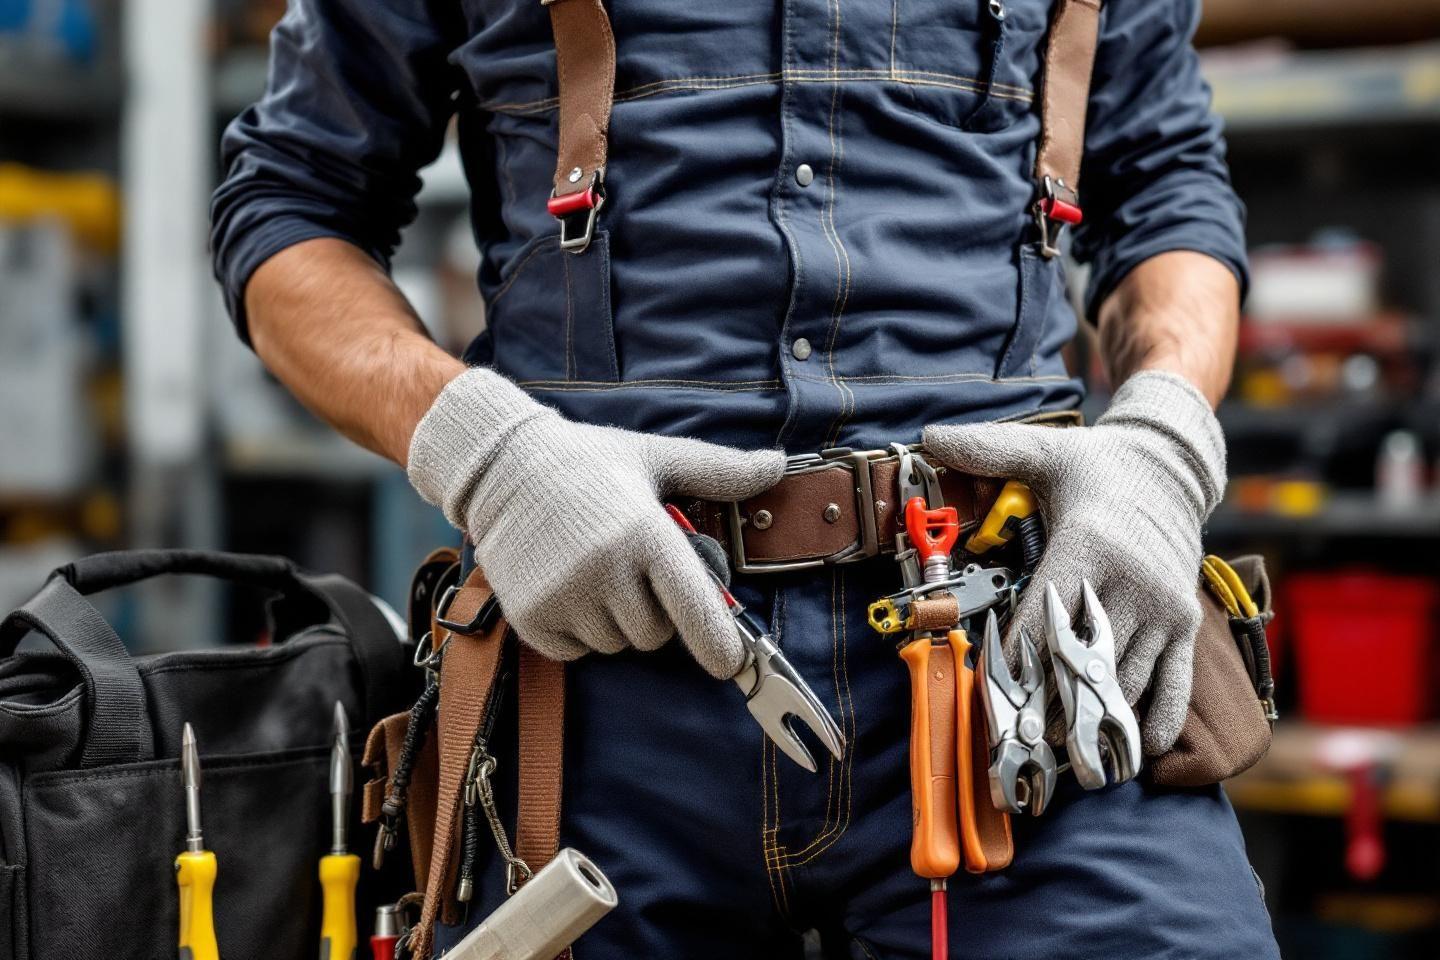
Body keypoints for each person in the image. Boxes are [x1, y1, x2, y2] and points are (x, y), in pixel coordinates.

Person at [211, 0, 1279, 955]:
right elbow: (290, 205)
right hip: (599, 676)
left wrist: (1162, 438)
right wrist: (484, 451)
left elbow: (1169, 186)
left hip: (1018, 662)